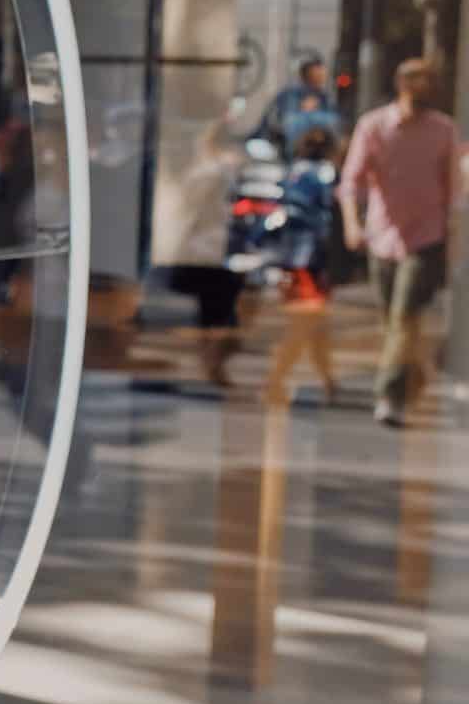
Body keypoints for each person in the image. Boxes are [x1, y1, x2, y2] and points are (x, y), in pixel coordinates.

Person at [340, 57, 458, 427]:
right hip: (382, 236)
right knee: (392, 322)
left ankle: (388, 396)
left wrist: (454, 241)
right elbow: (351, 183)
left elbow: (453, 190)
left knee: (404, 318)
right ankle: (413, 373)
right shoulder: (374, 126)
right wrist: (352, 225)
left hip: (425, 237)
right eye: (419, 85)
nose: (426, 93)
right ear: (403, 86)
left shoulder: (443, 130)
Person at [161, 116, 247, 389]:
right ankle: (212, 363)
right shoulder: (215, 172)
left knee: (216, 311)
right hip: (210, 248)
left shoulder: (211, 171)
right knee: (217, 311)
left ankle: (212, 362)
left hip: (211, 247)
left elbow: (188, 210)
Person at [263, 125, 343, 405]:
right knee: (304, 324)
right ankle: (276, 379)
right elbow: (327, 218)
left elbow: (276, 215)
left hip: (291, 258)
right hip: (312, 260)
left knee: (314, 326)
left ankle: (329, 381)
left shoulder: (291, 173)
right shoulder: (325, 175)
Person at [265, 57, 343, 151]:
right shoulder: (292, 93)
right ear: (308, 75)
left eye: (322, 74)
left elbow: (335, 120)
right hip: (293, 151)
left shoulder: (324, 96)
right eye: (319, 74)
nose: (323, 77)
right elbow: (287, 120)